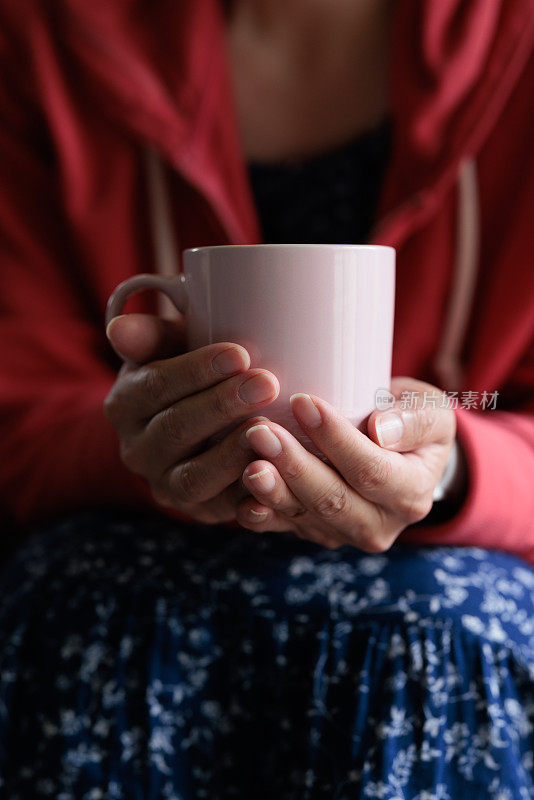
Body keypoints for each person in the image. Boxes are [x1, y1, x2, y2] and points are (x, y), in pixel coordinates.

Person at [0, 0, 533, 797]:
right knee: (76, 596)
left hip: (449, 574)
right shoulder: (46, 35)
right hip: (126, 551)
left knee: (444, 625)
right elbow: (20, 411)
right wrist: (143, 435)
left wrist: (455, 466)